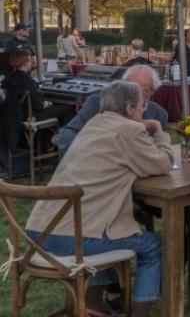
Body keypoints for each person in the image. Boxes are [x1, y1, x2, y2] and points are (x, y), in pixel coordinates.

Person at [26, 81, 173, 317]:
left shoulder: (92, 125)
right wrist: (160, 133)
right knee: (153, 245)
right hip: (73, 238)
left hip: (39, 233)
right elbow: (162, 163)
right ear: (129, 108)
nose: (144, 111)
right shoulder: (130, 130)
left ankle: (93, 306)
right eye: (142, 106)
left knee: (107, 227)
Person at [56, 64, 169, 154]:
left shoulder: (158, 114)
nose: (134, 95)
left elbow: (158, 154)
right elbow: (66, 135)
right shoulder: (97, 103)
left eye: (142, 90)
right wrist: (94, 154)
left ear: (152, 92)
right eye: (130, 87)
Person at [2, 50, 74, 155]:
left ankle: (48, 144)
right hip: (31, 116)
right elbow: (38, 107)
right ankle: (63, 145)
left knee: (57, 107)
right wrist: (46, 103)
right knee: (69, 108)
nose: (31, 62)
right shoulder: (28, 81)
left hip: (17, 117)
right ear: (25, 63)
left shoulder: (8, 79)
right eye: (30, 60)